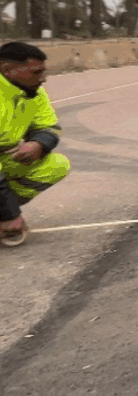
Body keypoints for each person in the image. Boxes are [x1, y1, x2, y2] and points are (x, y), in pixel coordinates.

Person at [0, 42, 71, 246]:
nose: (43, 78)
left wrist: (38, 144)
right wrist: (9, 214)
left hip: (4, 157)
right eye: (36, 72)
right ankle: (6, 217)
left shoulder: (34, 92)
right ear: (7, 70)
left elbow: (49, 127)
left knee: (56, 165)